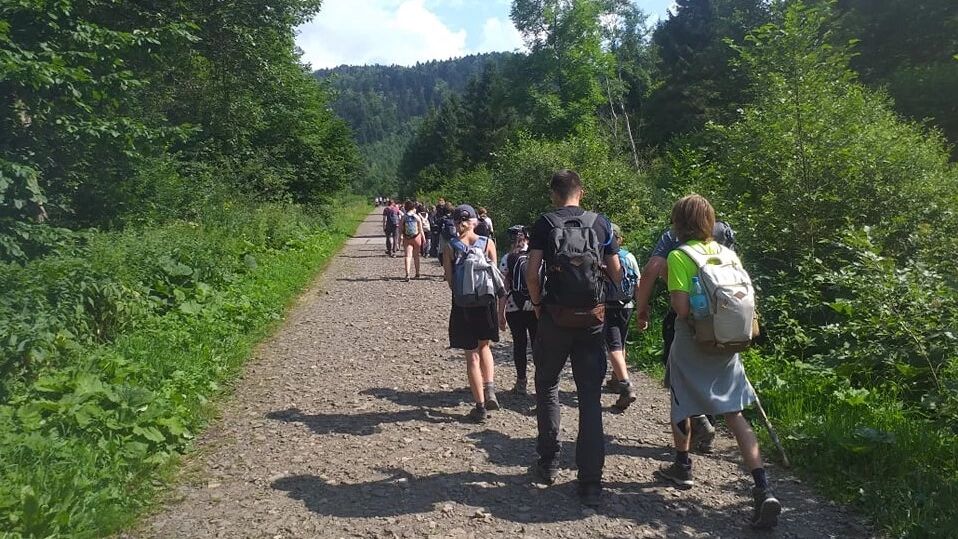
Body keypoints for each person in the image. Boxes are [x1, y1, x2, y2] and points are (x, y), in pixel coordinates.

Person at [654, 194, 781, 529]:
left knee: (681, 402)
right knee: (734, 413)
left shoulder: (680, 255)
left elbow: (682, 310)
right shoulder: (728, 253)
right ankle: (762, 487)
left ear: (678, 223)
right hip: (728, 341)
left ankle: (682, 465)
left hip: (693, 340)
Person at [526, 170, 622, 508]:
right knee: (590, 398)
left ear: (554, 194)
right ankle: (590, 482)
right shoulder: (600, 223)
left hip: (555, 316)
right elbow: (617, 272)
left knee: (547, 384)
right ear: (582, 191)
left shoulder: (544, 223)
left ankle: (549, 461)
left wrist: (538, 304)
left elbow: (531, 273)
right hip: (591, 321)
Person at [634, 218, 737, 452]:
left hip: (688, 316)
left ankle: (695, 425)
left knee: (677, 373)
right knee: (711, 371)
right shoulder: (723, 233)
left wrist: (642, 309)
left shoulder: (673, 236)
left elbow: (651, 269)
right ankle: (706, 431)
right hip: (725, 318)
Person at [444, 204, 501, 423]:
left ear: (456, 222)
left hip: (463, 305)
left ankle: (479, 407)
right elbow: (495, 274)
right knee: (484, 346)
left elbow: (450, 279)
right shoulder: (487, 243)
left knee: (471, 356)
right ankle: (490, 390)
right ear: (475, 221)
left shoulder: (451, 246)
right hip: (486, 302)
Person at [603, 223, 641, 412]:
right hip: (627, 306)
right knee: (621, 344)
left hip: (608, 306)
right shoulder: (629, 256)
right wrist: (642, 308)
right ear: (621, 239)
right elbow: (638, 283)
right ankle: (616, 378)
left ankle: (625, 385)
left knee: (613, 346)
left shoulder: (603, 257)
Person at [498, 225, 539, 396]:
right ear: (528, 238)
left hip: (514, 307)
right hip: (536, 306)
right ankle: (542, 382)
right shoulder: (537, 256)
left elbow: (503, 288)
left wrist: (500, 314)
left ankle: (521, 382)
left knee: (519, 344)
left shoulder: (508, 258)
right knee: (538, 344)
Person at [401, 200, 425, 281]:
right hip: (416, 237)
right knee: (416, 256)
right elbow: (421, 229)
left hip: (407, 238)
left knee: (408, 256)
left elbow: (400, 229)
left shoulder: (404, 217)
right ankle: (417, 273)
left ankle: (407, 274)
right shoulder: (417, 217)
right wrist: (423, 239)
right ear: (413, 207)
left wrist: (399, 239)